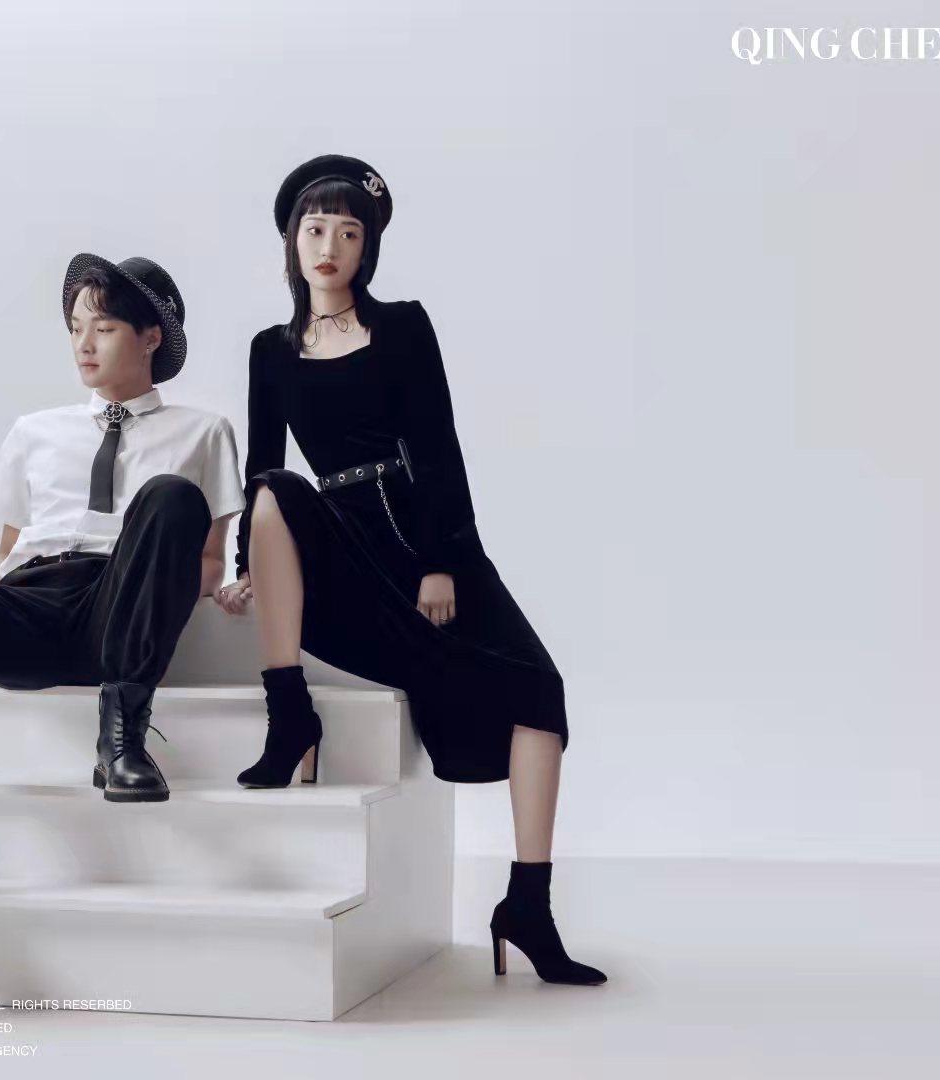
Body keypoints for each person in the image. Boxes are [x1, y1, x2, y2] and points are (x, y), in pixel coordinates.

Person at [215, 155, 608, 985]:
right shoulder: (269, 351)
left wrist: (441, 563)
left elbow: (438, 448)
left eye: (349, 233)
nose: (330, 246)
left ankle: (527, 905)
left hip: (416, 529)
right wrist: (248, 561)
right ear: (291, 241)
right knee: (276, 487)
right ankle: (290, 715)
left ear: (369, 249)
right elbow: (260, 468)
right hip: (338, 543)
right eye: (315, 229)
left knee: (541, 689)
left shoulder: (403, 327)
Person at [0, 253, 245, 921]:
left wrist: (163, 592)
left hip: (119, 604)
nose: (84, 344)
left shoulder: (204, 432)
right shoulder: (35, 431)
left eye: (103, 328)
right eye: (76, 328)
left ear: (151, 337)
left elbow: (210, 560)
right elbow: (5, 553)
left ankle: (121, 740)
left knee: (169, 496)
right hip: (34, 599)